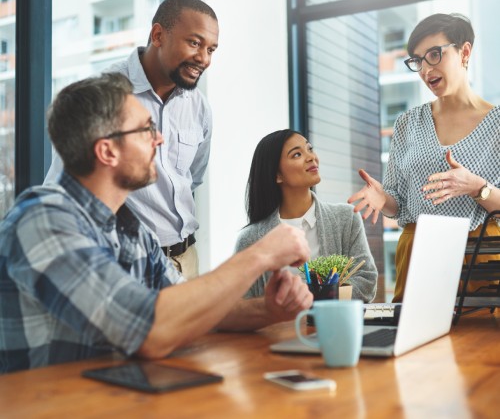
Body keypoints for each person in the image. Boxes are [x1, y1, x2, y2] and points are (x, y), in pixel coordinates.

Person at [0, 74, 312, 374]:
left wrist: (268, 310)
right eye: (147, 129)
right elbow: (149, 329)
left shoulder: (131, 228)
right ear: (107, 150)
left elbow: (187, 308)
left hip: (115, 398)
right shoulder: (43, 219)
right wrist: (259, 255)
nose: (159, 140)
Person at [44, 0, 219, 279]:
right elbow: (66, 184)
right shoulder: (107, 93)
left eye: (211, 49)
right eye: (195, 43)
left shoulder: (198, 106)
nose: (204, 59)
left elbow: (192, 177)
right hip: (124, 262)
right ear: (158, 35)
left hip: (187, 258)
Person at [348, 13, 500, 302]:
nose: (425, 69)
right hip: (419, 254)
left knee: (481, 343)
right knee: (412, 342)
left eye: (434, 54)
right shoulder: (408, 123)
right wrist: (384, 200)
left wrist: (476, 187)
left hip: (480, 256)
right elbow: (399, 205)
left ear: (464, 52)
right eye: (418, 60)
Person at [234, 129, 378, 302]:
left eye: (310, 149)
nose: (311, 157)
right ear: (277, 175)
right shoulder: (250, 239)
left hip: (333, 327)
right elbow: (242, 303)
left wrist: (316, 299)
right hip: (277, 329)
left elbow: (366, 281)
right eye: (296, 154)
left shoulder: (346, 218)